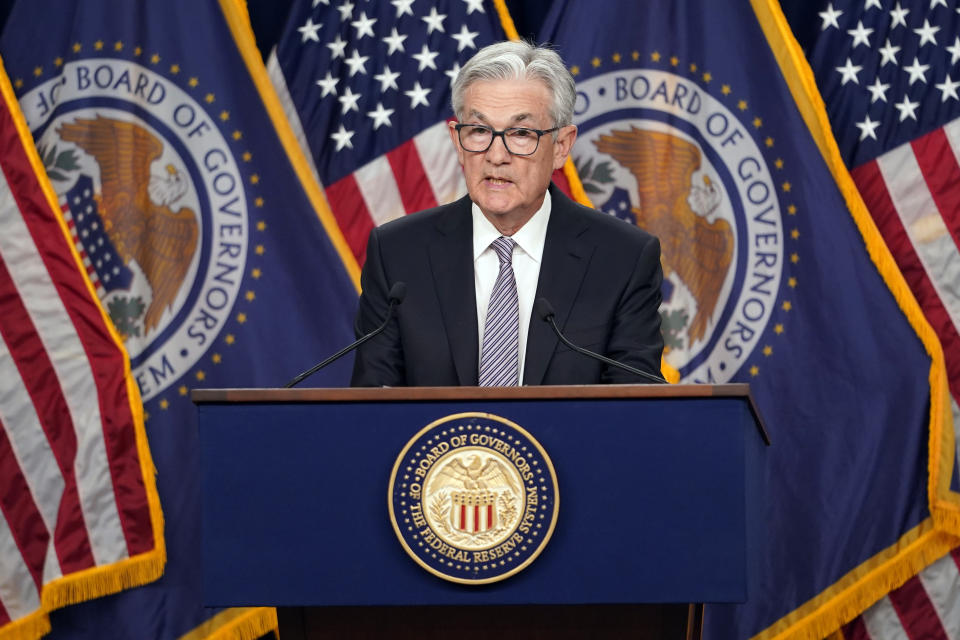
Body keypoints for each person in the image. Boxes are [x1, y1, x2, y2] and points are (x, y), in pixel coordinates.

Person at [351, 40, 663, 387]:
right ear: (457, 140)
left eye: (520, 133)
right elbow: (372, 408)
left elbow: (635, 410)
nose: (495, 155)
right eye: (480, 130)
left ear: (561, 146)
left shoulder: (623, 259)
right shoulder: (397, 254)